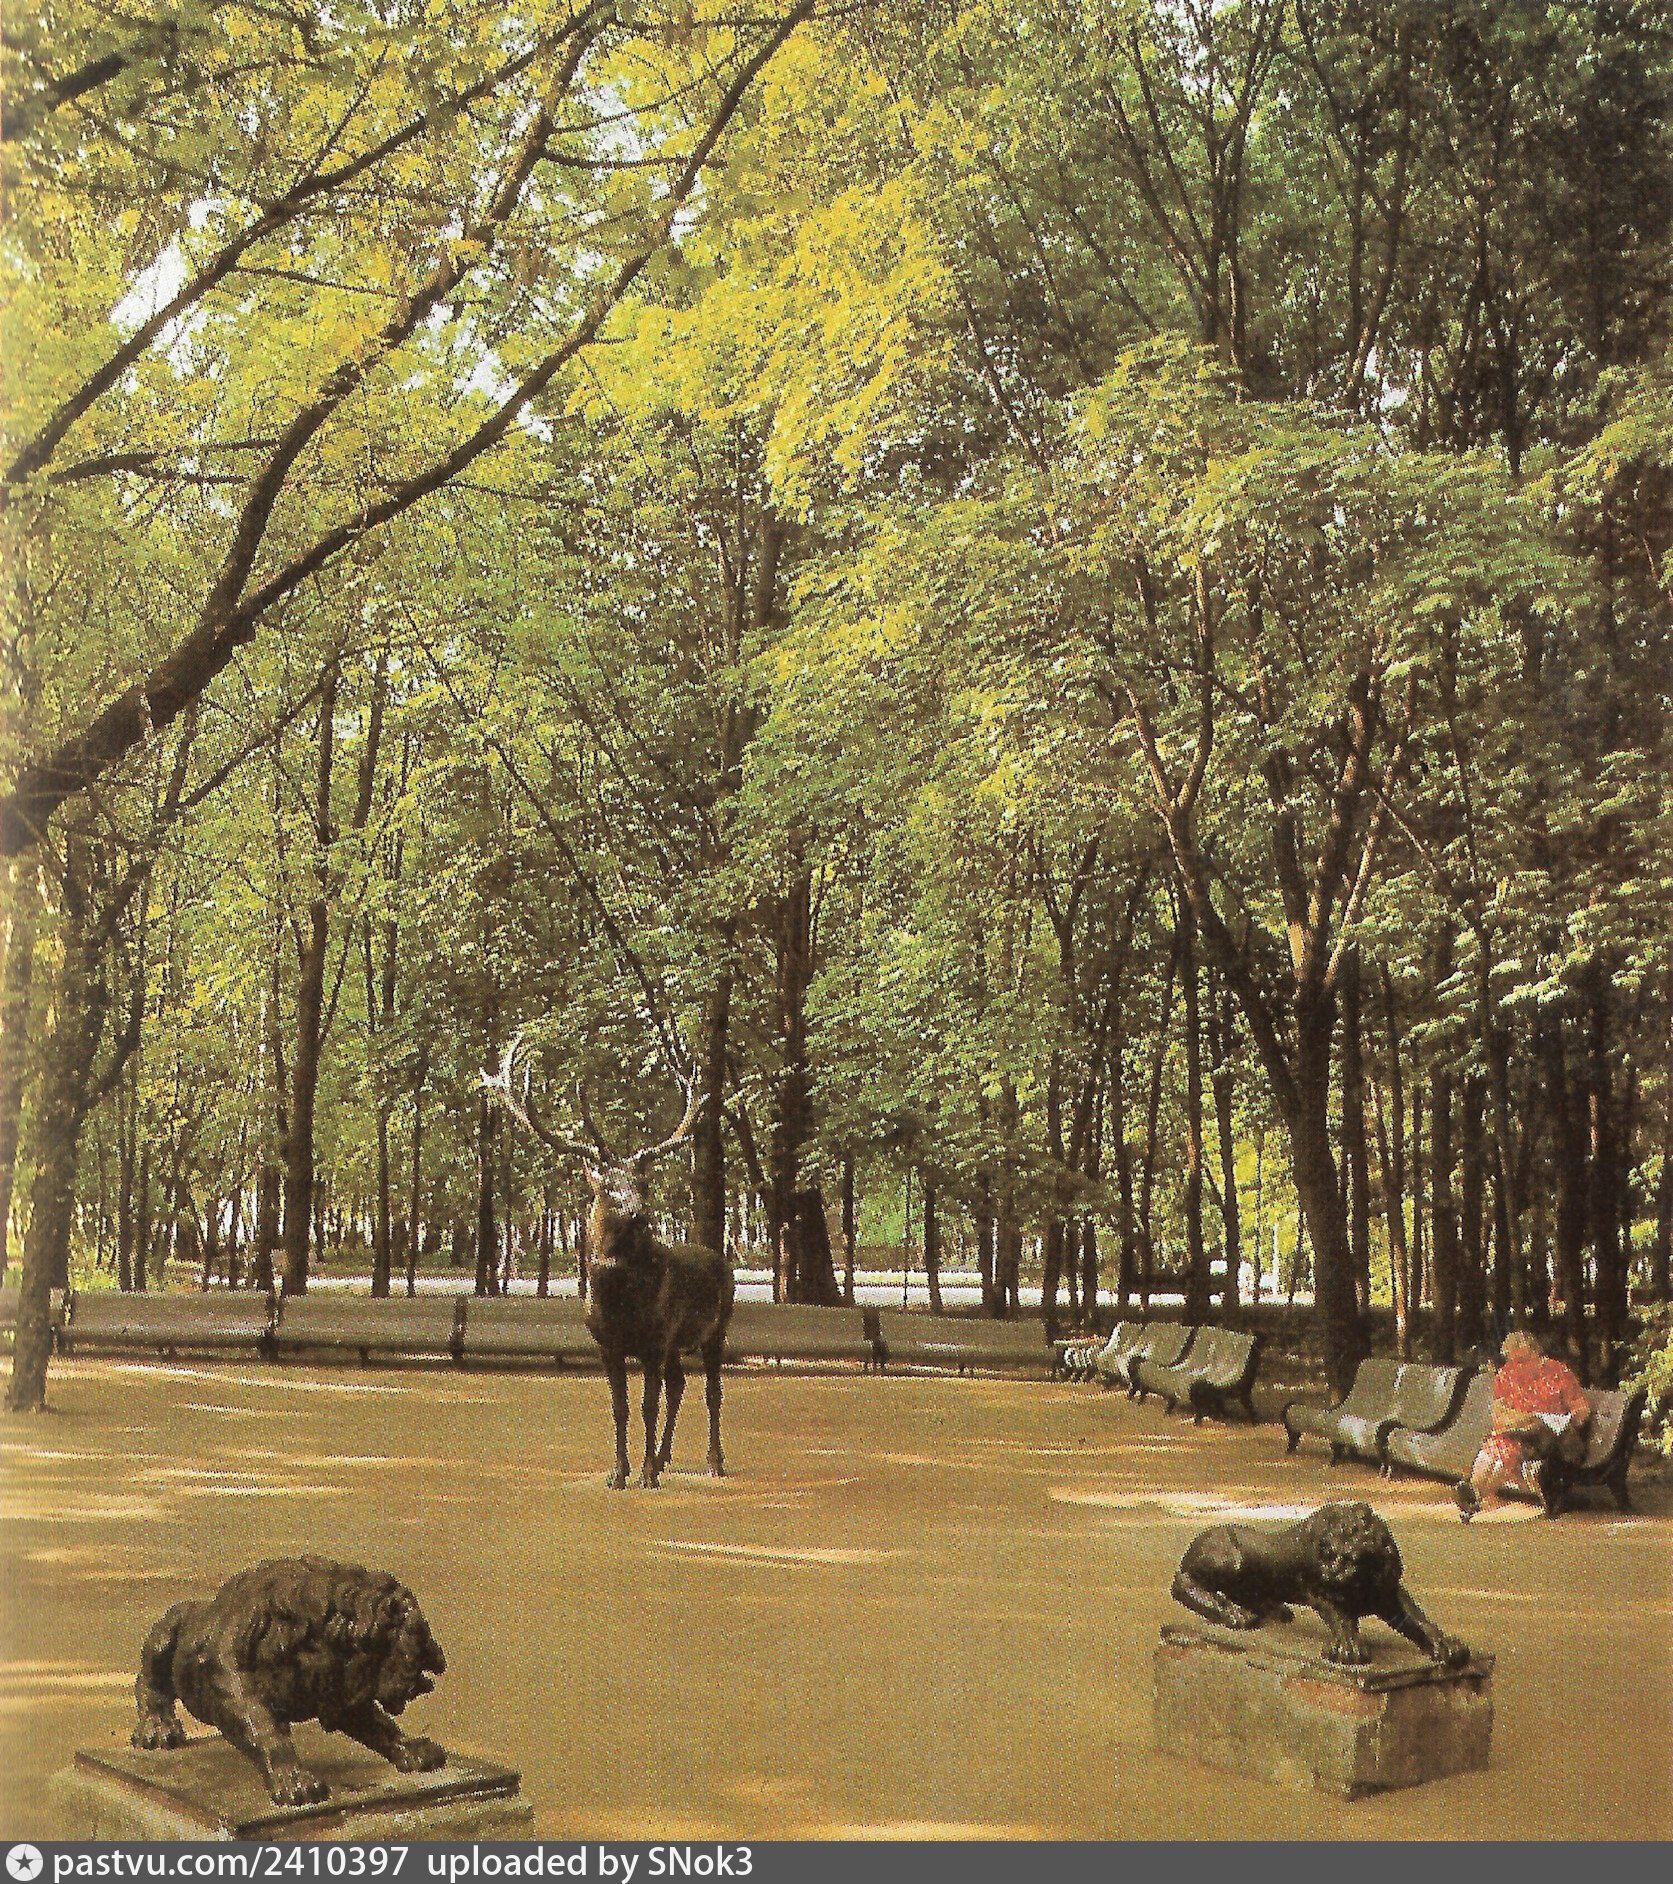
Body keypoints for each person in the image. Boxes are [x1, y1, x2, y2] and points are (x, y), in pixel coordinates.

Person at [1456, 1329, 1591, 1521]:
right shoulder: (1506, 1375)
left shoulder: (1558, 1372)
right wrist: (1526, 1419)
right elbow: (1498, 1417)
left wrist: (1563, 1420)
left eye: (1522, 1361)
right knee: (1498, 1447)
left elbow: (1582, 1410)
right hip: (1517, 1434)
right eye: (1512, 1361)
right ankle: (1473, 1494)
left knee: (1506, 1450)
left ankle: (1473, 1495)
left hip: (1548, 1440)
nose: (1516, 1367)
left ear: (1536, 1353)